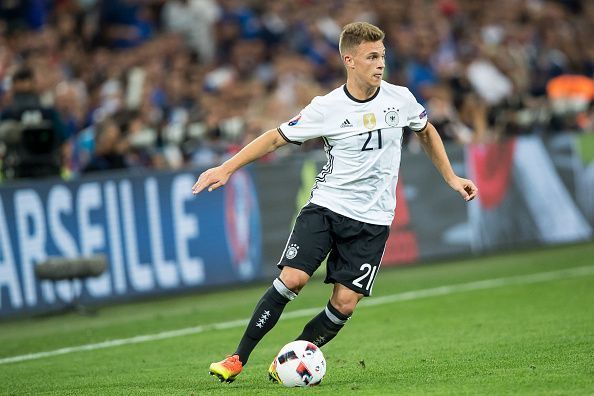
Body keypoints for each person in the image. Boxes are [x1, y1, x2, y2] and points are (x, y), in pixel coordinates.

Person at [192, 22, 478, 383]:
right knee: (292, 279)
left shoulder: (400, 99)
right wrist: (228, 167)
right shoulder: (326, 108)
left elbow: (427, 131)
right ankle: (236, 358)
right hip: (327, 208)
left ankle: (291, 358)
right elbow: (276, 138)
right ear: (350, 60)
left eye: (383, 57)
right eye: (372, 57)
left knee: (344, 304)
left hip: (374, 220)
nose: (380, 64)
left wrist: (452, 177)